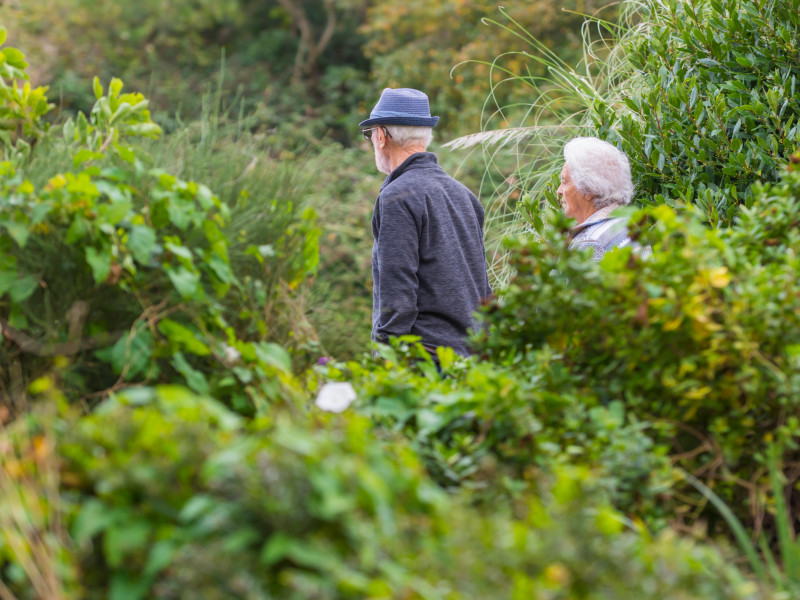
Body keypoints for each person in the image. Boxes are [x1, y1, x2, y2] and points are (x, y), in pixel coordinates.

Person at [360, 87, 492, 357]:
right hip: (473, 356)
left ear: (382, 136)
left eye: (370, 134)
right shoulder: (464, 194)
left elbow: (397, 295)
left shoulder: (397, 196)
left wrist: (383, 358)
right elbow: (482, 286)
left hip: (427, 361)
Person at [556, 136, 643, 261]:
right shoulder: (630, 226)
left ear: (589, 189)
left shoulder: (590, 242)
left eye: (565, 182)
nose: (559, 191)